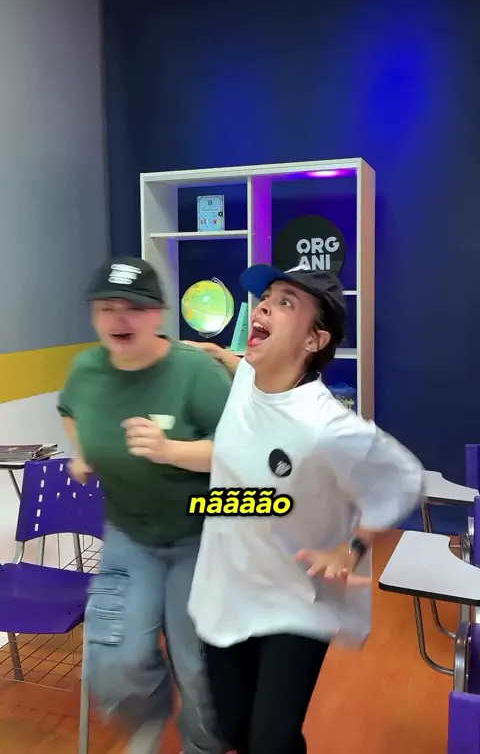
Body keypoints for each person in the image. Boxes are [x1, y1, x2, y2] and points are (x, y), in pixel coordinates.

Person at [187, 263, 425, 754]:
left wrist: (350, 548)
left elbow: (404, 478)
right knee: (231, 729)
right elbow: (239, 366)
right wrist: (213, 353)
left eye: (286, 302)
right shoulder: (247, 378)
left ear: (314, 340)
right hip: (226, 589)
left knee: (270, 741)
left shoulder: (327, 426)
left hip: (296, 601)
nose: (264, 306)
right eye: (266, 297)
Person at [57, 257, 232, 754]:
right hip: (128, 534)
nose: (119, 318)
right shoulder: (87, 370)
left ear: (157, 313)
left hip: (199, 537)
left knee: (197, 667)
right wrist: (84, 451)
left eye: (133, 307)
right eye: (106, 307)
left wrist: (170, 450)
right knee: (115, 658)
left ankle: (203, 746)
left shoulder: (194, 371)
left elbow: (241, 450)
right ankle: (151, 716)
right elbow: (69, 409)